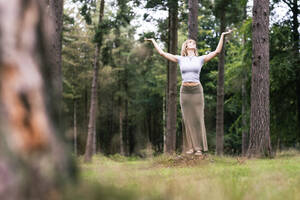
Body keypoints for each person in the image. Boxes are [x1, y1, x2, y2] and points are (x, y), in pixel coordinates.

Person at [145, 30, 232, 156]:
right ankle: (190, 148)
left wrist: (223, 36)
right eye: (190, 42)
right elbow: (162, 53)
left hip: (197, 90)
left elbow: (217, 52)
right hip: (185, 91)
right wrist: (153, 41)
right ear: (186, 46)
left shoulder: (200, 59)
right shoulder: (180, 59)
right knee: (187, 119)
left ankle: (199, 148)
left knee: (198, 118)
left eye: (193, 43)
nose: (192, 43)